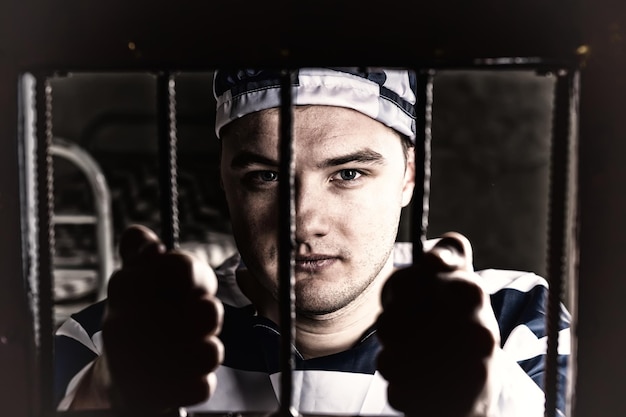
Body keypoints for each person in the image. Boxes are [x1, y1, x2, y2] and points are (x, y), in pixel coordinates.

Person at [54, 68, 571, 416]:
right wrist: (102, 399)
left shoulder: (517, 323)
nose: (304, 221)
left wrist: (491, 402)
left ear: (409, 175)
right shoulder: (121, 339)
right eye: (266, 177)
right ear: (225, 181)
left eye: (347, 173)